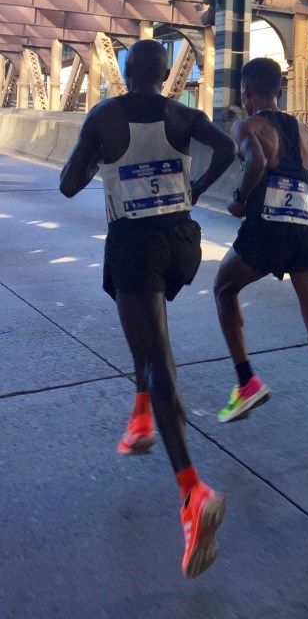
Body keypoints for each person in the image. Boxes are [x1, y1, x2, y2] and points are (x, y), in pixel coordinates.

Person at [59, 39, 237, 579]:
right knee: (149, 331)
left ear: (126, 72)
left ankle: (192, 491)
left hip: (134, 243)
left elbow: (68, 185)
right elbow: (227, 148)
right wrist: (196, 185)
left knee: (158, 356)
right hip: (181, 241)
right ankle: (141, 417)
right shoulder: (184, 114)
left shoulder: (105, 117)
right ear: (166, 76)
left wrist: (101, 162)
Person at [212, 56, 308, 504]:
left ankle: (246, 383)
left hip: (267, 226)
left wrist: (241, 198)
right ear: (279, 89)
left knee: (223, 289)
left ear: (247, 92)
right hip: (305, 229)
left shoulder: (247, 127)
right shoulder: (302, 130)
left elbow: (256, 159)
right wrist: (298, 174)